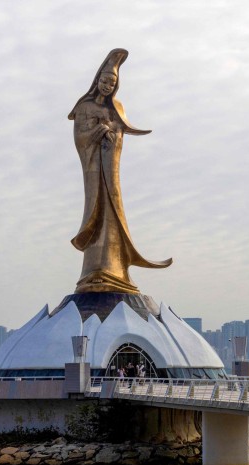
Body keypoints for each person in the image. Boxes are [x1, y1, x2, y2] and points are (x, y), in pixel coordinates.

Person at [68, 48, 171, 294]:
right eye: (104, 80)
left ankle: (116, 270)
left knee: (114, 211)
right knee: (98, 211)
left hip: (110, 168)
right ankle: (95, 271)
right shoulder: (84, 106)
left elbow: (119, 132)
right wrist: (98, 131)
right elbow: (80, 138)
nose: (107, 85)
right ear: (97, 80)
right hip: (95, 169)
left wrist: (112, 134)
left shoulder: (117, 107)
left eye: (112, 82)